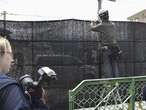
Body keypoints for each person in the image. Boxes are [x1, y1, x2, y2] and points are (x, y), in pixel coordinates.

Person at [0, 36, 31, 110]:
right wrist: (39, 103)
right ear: (1, 54)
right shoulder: (8, 87)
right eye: (10, 54)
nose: (12, 59)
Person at [91, 9, 122, 78]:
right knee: (114, 66)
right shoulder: (113, 25)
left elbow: (92, 28)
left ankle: (110, 83)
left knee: (107, 67)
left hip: (106, 48)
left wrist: (92, 23)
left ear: (101, 17)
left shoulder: (101, 25)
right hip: (115, 48)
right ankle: (117, 82)